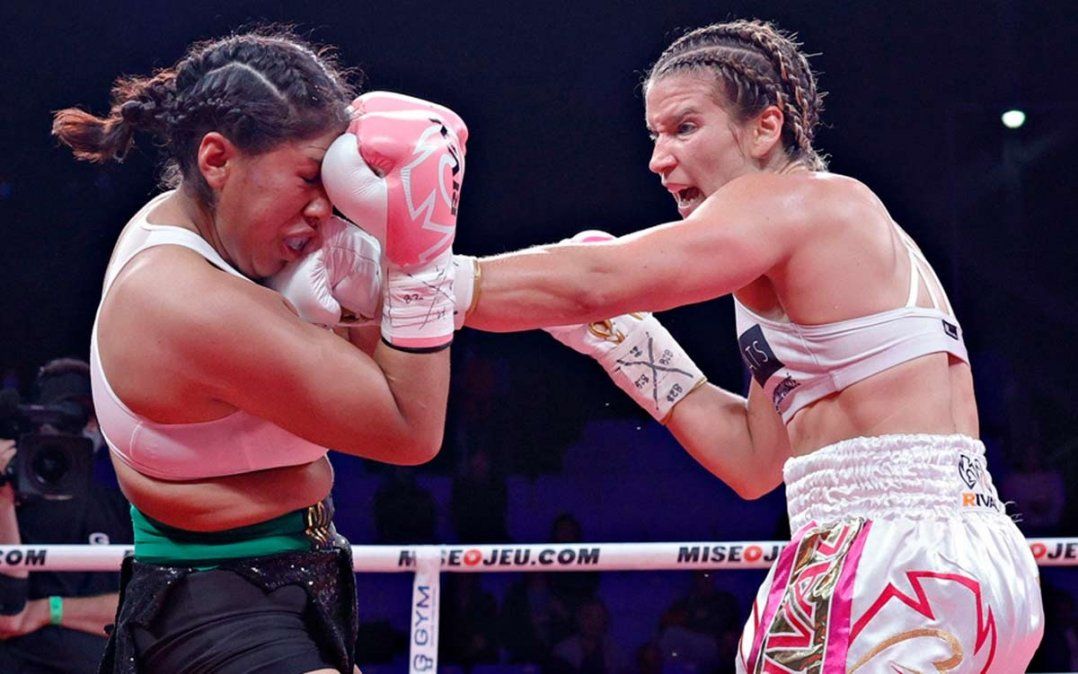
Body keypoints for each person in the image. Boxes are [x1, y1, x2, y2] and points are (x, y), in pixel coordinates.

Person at [447, 19, 1043, 673]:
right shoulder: (804, 263)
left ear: (767, 127)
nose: (657, 159)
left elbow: (599, 279)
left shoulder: (801, 203)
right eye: (653, 136)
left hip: (888, 561)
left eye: (683, 127)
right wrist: (627, 347)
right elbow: (757, 461)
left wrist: (426, 282)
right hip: (965, 562)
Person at [51, 28, 466, 673]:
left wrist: (363, 296)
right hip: (216, 610)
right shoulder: (183, 296)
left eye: (333, 178)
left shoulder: (223, 242)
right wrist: (419, 255)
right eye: (309, 176)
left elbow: (369, 372)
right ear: (217, 160)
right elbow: (409, 432)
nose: (327, 206)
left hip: (280, 586)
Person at [0, 358, 132, 674]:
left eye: (87, 417)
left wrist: (49, 609)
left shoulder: (121, 507)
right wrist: (3, 499)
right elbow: (7, 616)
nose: (81, 428)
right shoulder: (7, 498)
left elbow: (140, 612)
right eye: (65, 415)